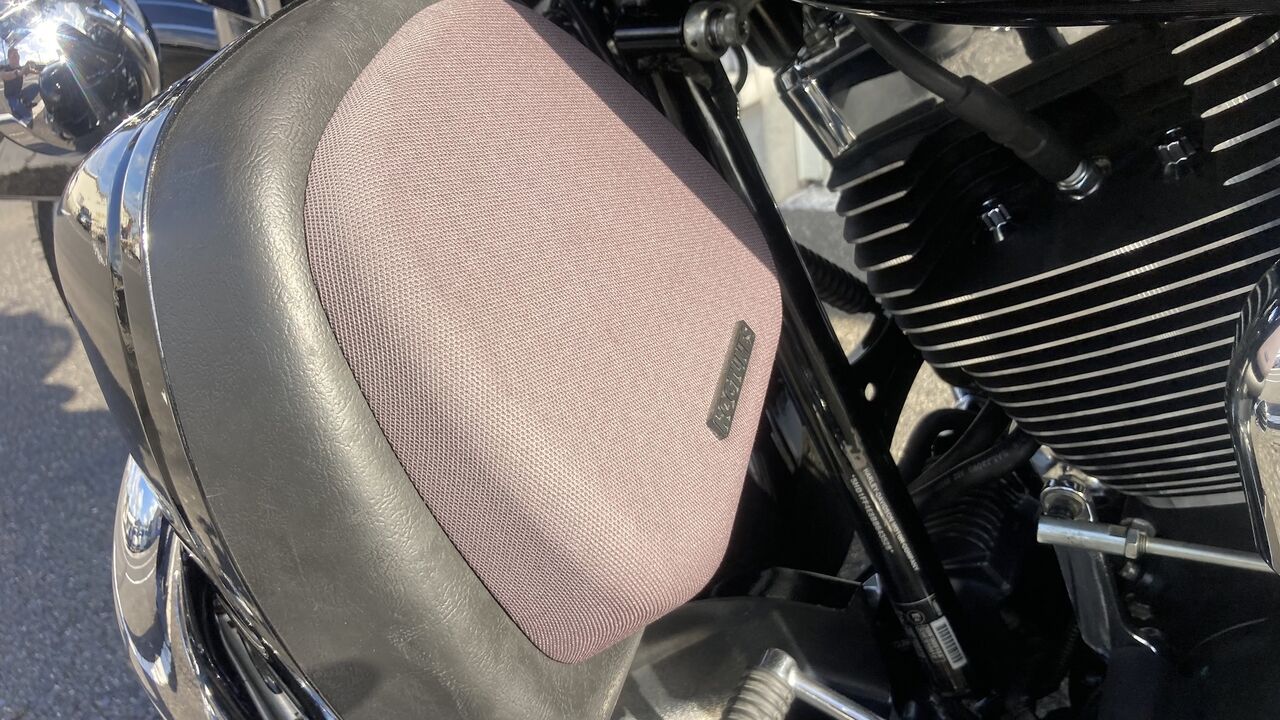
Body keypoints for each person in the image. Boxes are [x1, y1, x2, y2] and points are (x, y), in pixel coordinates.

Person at [2, 47, 33, 123]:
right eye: (14, 56)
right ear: (9, 58)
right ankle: (16, 110)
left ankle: (26, 102)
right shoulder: (4, 68)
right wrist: (19, 72)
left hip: (20, 93)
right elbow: (4, 75)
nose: (17, 58)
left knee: (35, 86)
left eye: (18, 55)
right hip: (11, 96)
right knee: (25, 114)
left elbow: (32, 71)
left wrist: (38, 70)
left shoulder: (20, 68)